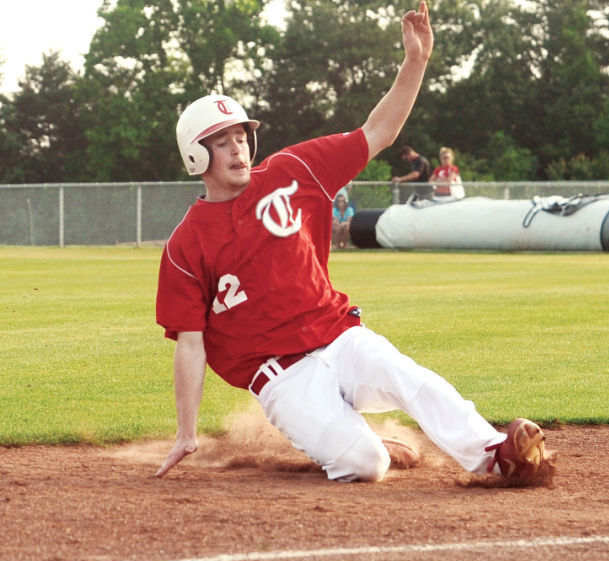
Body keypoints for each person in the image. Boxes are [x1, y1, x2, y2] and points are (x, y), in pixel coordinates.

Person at [155, 2, 552, 484]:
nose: (238, 146)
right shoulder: (184, 245)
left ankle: (495, 454)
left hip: (338, 335)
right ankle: (353, 441)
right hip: (281, 375)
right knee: (366, 464)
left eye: (241, 136)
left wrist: (416, 62)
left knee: (410, 378)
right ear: (196, 154)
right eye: (222, 141)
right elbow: (191, 345)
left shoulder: (292, 171)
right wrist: (185, 432)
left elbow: (378, 132)